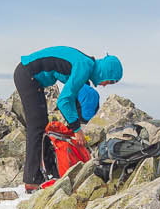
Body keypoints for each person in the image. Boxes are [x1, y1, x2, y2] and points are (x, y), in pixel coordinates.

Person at [13, 47, 122, 190]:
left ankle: (46, 172)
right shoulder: (84, 67)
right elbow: (63, 101)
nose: (107, 85)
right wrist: (77, 129)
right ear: (106, 72)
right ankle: (32, 181)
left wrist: (73, 126)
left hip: (32, 77)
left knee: (42, 125)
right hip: (27, 75)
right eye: (111, 80)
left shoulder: (86, 66)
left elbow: (72, 97)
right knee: (37, 126)